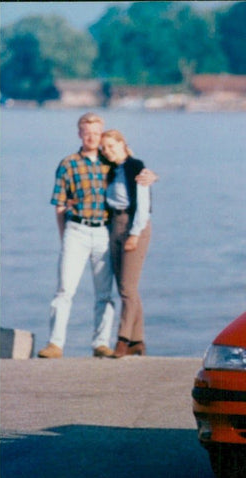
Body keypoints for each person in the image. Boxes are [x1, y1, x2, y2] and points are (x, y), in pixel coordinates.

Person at [37, 113, 155, 359]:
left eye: (96, 133)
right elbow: (59, 205)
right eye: (86, 132)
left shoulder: (109, 161)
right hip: (76, 230)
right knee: (64, 290)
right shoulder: (68, 163)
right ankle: (55, 344)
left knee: (105, 293)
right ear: (79, 134)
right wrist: (64, 236)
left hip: (104, 231)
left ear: (101, 135)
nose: (91, 137)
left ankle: (101, 343)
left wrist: (150, 176)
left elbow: (134, 168)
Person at [102, 129, 152, 358]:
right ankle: (138, 341)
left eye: (112, 146)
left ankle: (122, 340)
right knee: (128, 288)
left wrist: (134, 234)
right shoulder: (112, 169)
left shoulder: (135, 166)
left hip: (134, 225)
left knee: (126, 288)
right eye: (105, 148)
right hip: (114, 224)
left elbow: (143, 204)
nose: (108, 151)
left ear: (123, 144)